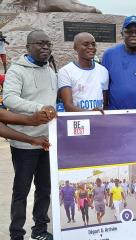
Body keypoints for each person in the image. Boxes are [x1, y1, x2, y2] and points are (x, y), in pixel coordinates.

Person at [3, 30, 57, 240]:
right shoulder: (17, 71)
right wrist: (39, 107)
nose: (45, 47)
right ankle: (16, 233)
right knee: (21, 192)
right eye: (39, 44)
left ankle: (40, 230)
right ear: (28, 47)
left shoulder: (51, 70)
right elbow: (9, 99)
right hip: (24, 143)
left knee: (44, 190)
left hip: (48, 142)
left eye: (48, 44)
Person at [58, 32, 109, 112]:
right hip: (78, 121)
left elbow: (105, 103)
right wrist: (90, 113)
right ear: (75, 47)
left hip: (100, 121)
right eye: (86, 44)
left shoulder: (103, 71)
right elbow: (68, 106)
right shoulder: (65, 71)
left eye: (93, 44)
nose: (91, 47)